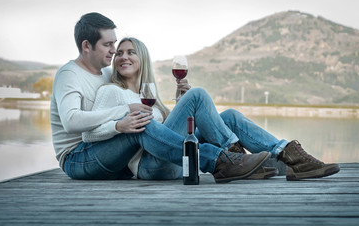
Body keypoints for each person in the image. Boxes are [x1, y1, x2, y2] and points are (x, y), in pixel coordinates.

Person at [50, 12, 271, 184]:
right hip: (77, 157)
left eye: (117, 47)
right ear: (86, 45)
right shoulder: (70, 74)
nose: (115, 53)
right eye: (108, 46)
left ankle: (279, 158)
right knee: (142, 119)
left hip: (120, 153)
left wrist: (180, 104)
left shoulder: (108, 74)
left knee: (228, 117)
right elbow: (72, 122)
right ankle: (220, 159)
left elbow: (154, 121)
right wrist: (124, 115)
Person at [81, 37, 340, 182]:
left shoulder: (148, 95)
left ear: (142, 59)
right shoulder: (111, 91)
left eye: (131, 52)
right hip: (150, 167)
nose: (123, 57)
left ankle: (286, 153)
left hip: (174, 159)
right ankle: (234, 156)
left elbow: (167, 134)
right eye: (119, 53)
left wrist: (180, 103)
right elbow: (90, 134)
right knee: (199, 94)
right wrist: (119, 126)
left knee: (229, 116)